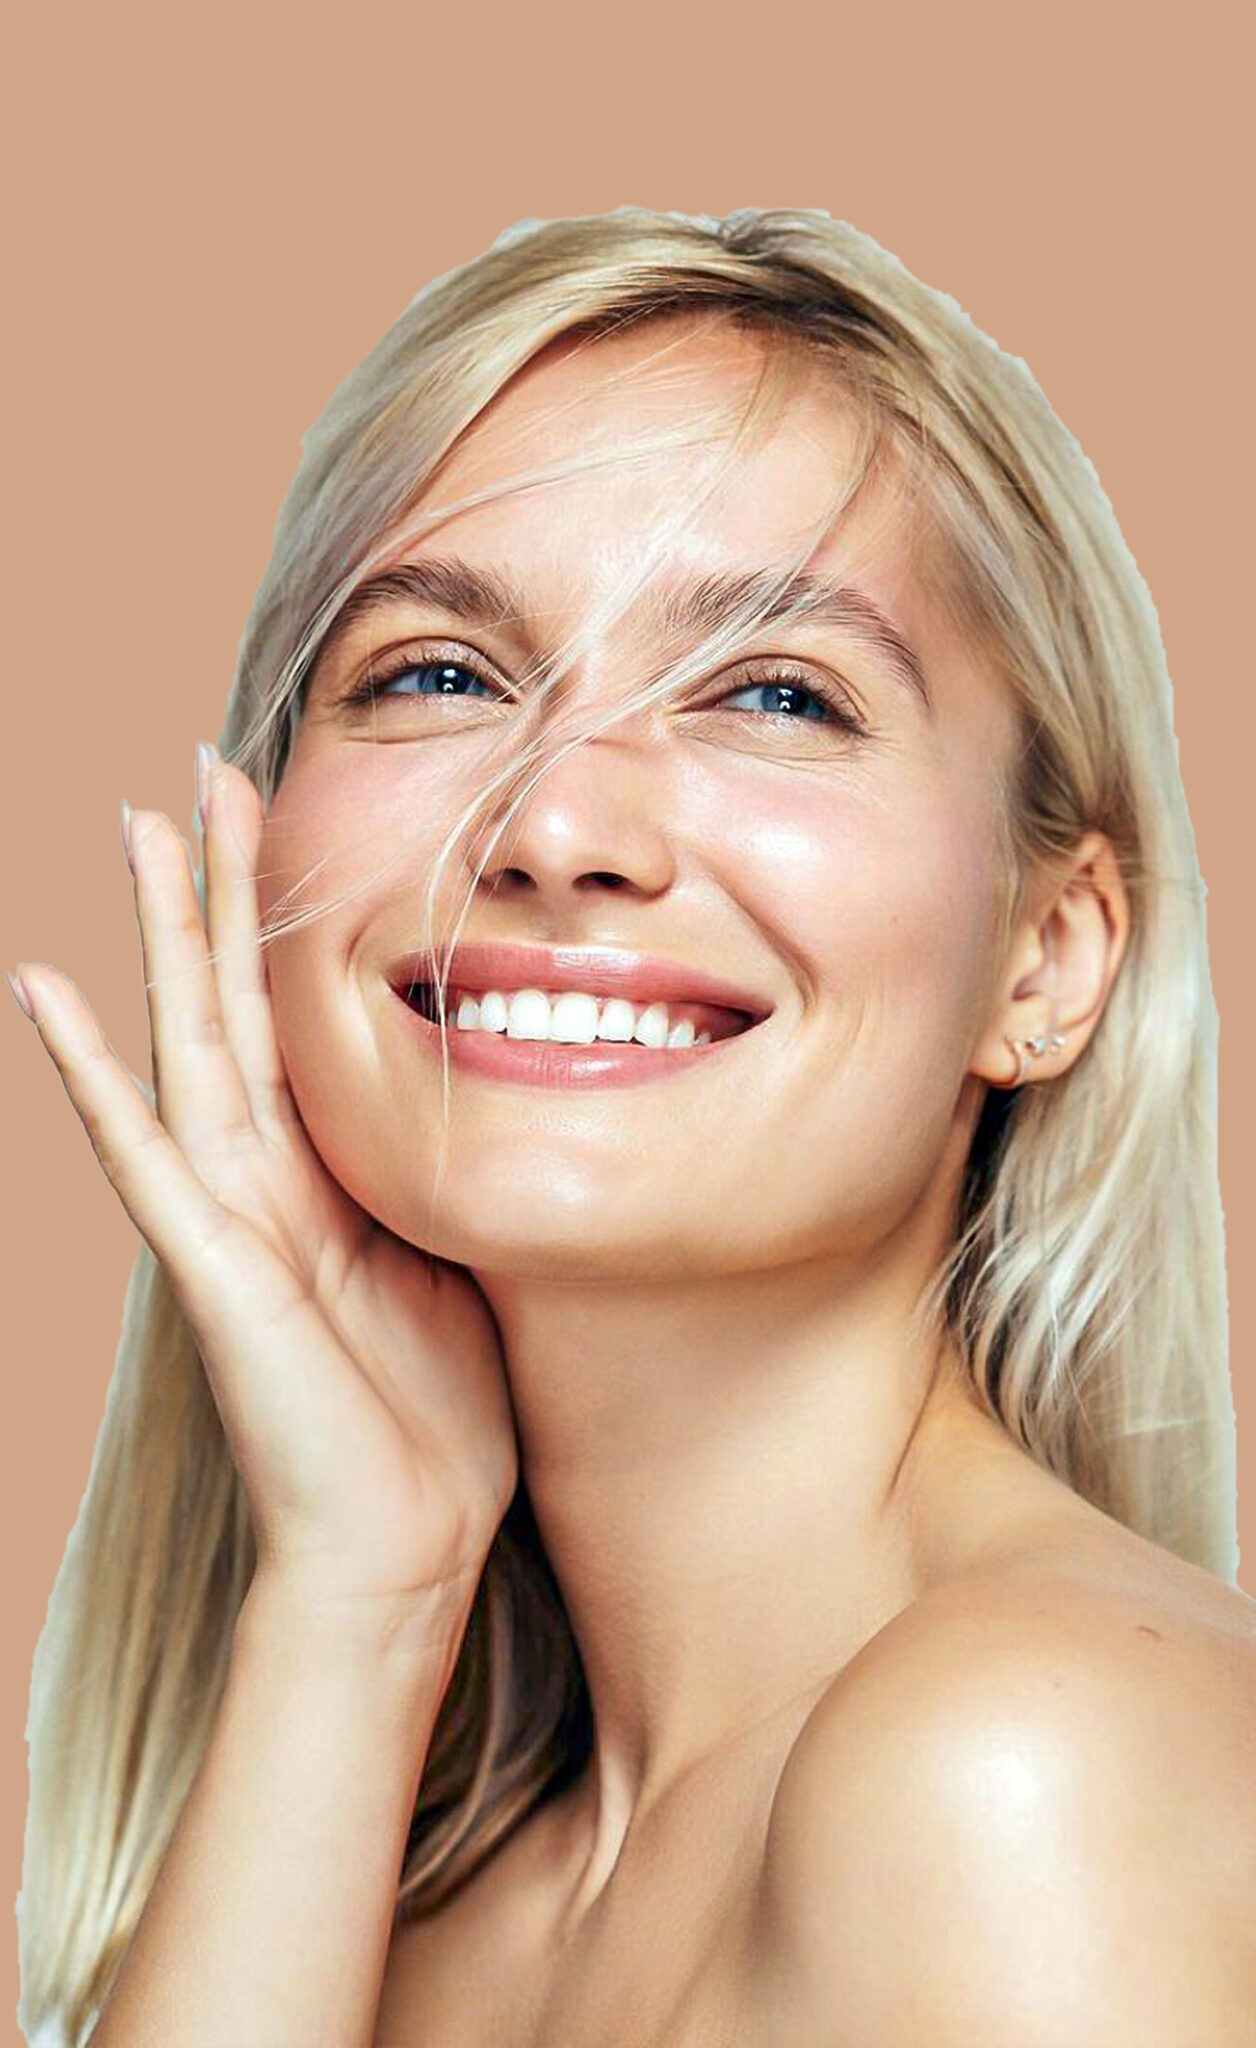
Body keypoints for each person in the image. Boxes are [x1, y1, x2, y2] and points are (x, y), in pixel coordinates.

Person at [14, 206, 1254, 2047]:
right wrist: (361, 1590)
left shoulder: (1024, 1770)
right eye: (438, 672)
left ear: (1047, 959)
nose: (556, 820)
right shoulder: (423, 1873)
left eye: (775, 694)